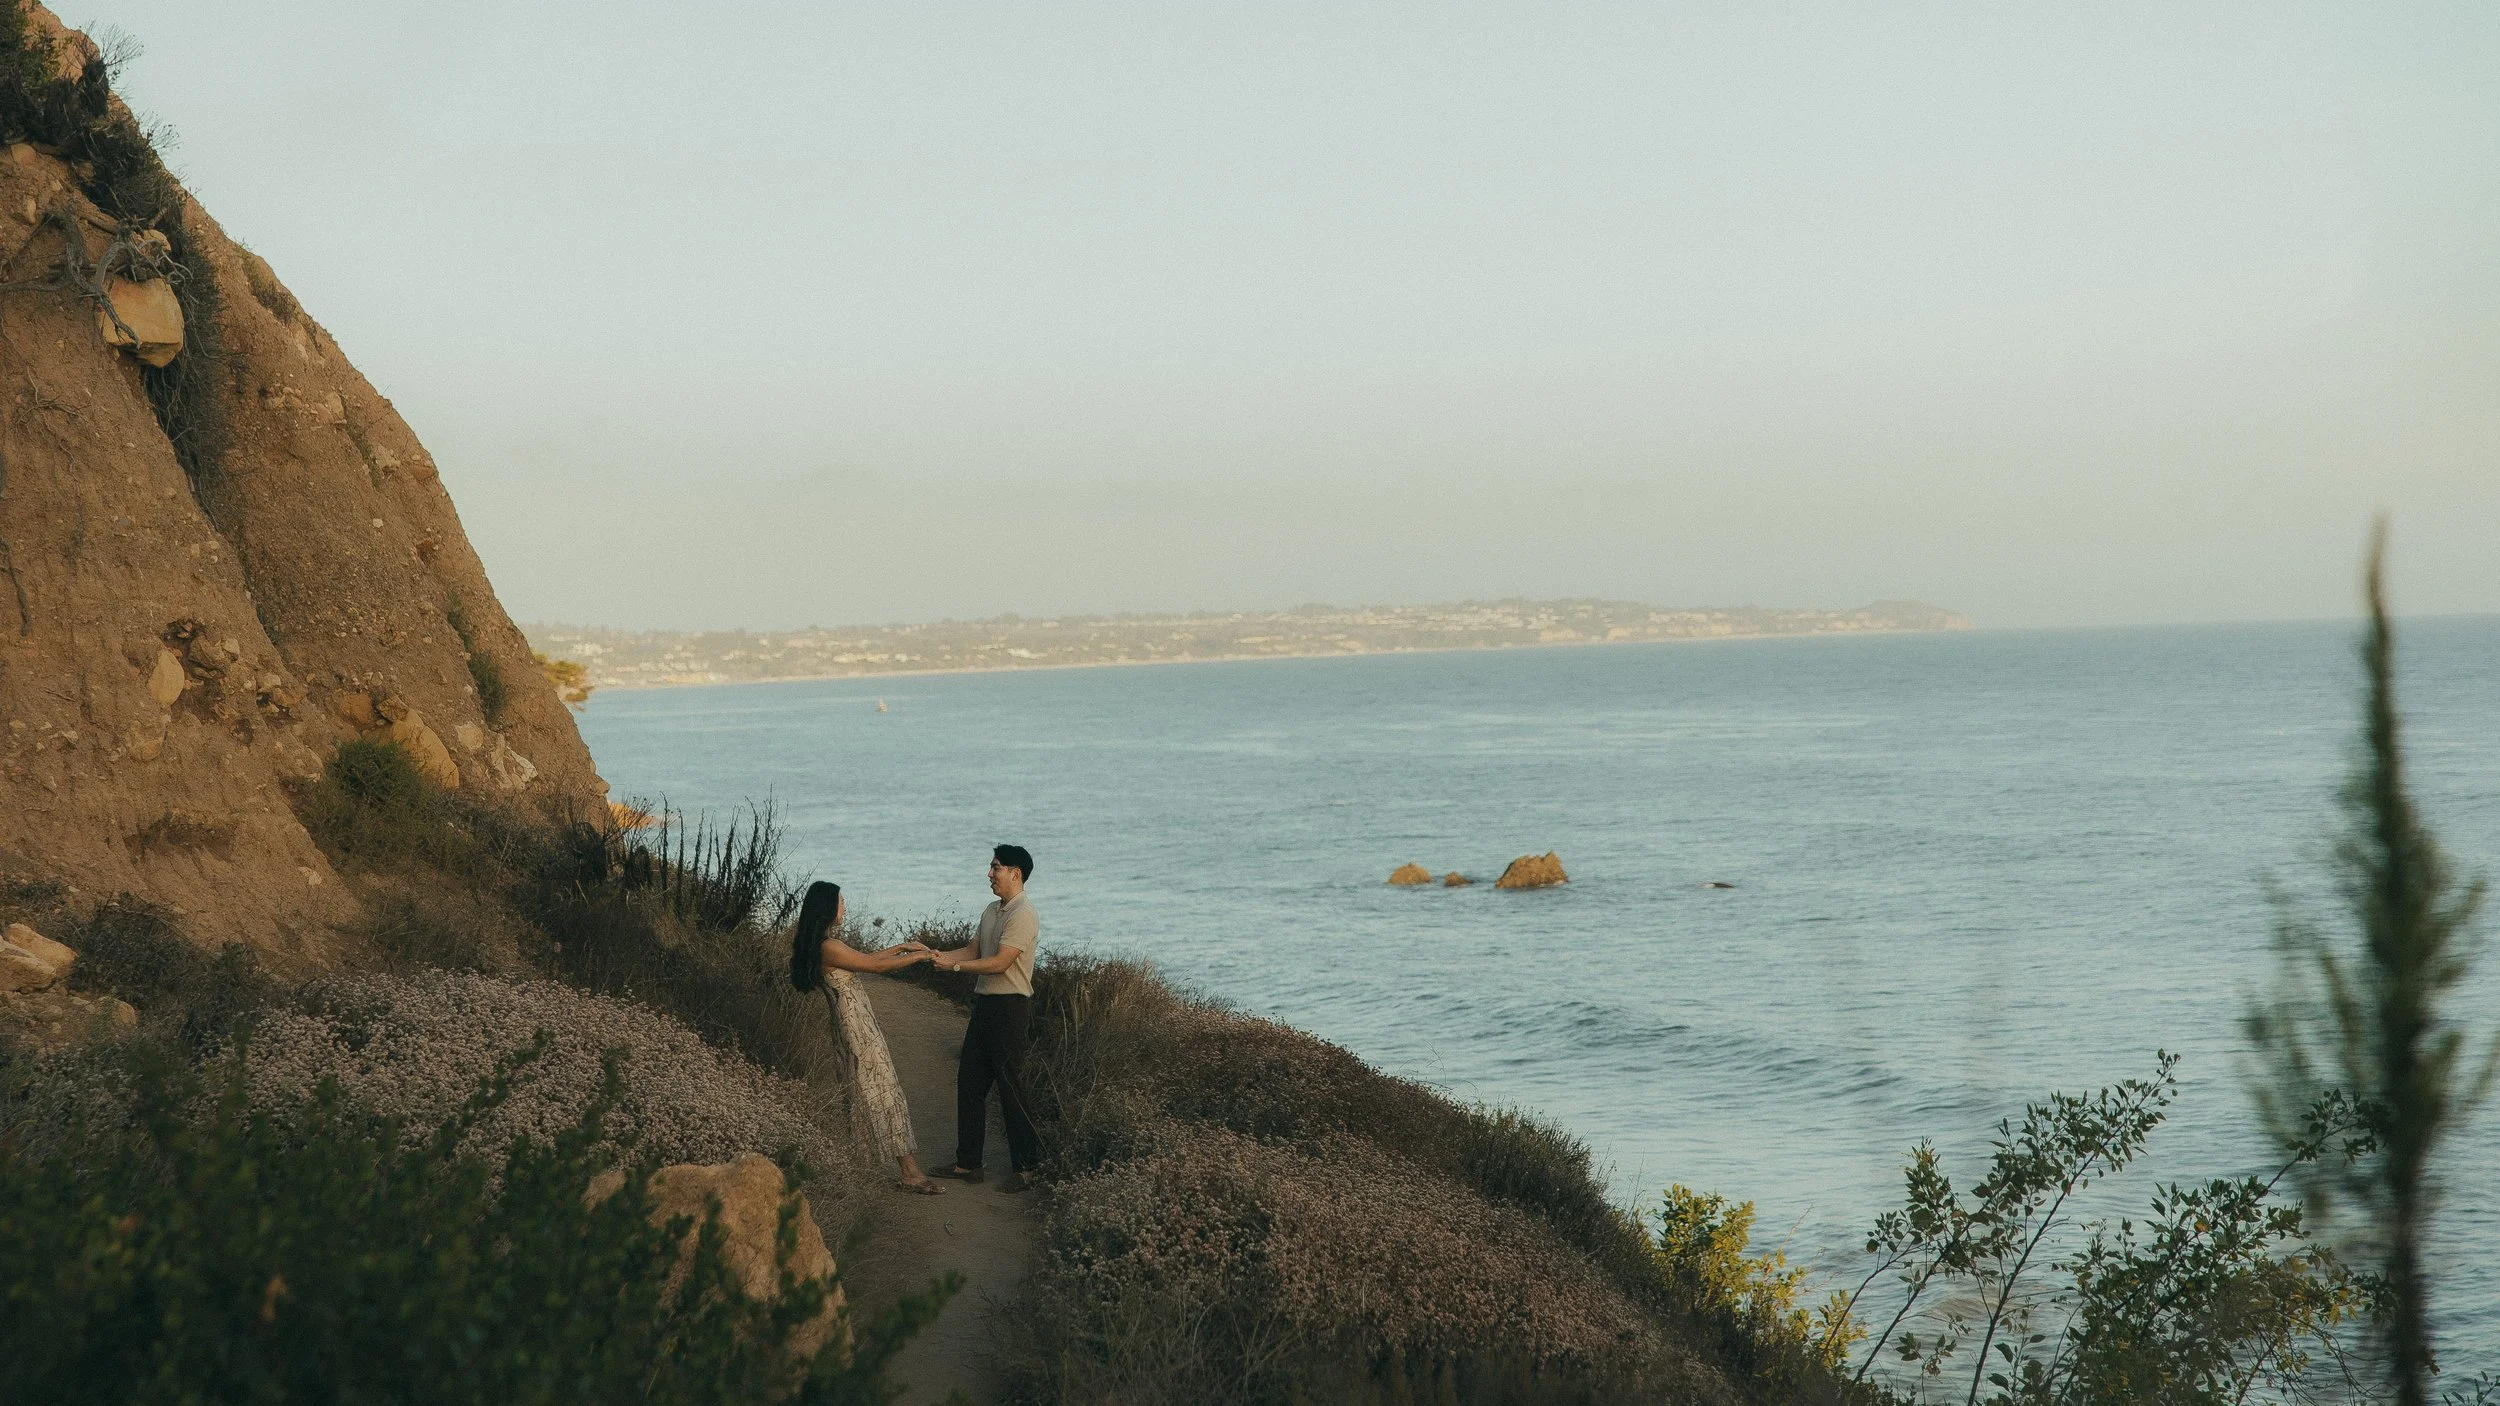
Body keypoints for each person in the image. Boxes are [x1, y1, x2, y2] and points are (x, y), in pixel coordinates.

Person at [786, 880, 946, 1196]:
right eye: (840, 901)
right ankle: (909, 1171)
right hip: (856, 1027)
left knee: (869, 1090)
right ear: (827, 908)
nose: (844, 906)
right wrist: (918, 958)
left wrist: (902, 947)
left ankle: (879, 1169)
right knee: (879, 1088)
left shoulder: (827, 944)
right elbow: (874, 966)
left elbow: (866, 957)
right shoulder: (828, 947)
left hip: (855, 1023)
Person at [921, 844, 1042, 1191]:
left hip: (1010, 1008)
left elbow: (1001, 962)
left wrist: (955, 966)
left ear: (1015, 874)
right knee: (970, 1083)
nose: (989, 874)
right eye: (991, 868)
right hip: (986, 1005)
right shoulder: (992, 910)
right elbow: (976, 951)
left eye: (996, 868)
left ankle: (1027, 1168)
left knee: (1011, 1089)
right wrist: (939, 955)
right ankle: (968, 1164)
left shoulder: (1024, 914)